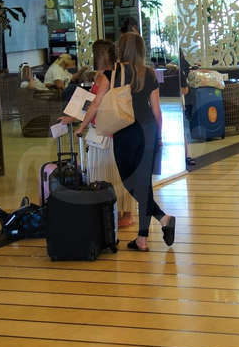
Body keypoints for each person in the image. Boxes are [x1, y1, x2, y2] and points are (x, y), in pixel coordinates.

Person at [78, 32, 175, 252]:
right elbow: (157, 110)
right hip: (148, 131)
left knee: (130, 182)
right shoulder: (149, 73)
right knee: (143, 184)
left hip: (126, 133)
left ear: (120, 49)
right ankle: (147, 233)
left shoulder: (113, 73)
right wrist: (159, 137)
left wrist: (81, 126)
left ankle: (156, 225)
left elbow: (96, 104)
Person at [64, 39, 135, 229]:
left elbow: (94, 104)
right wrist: (72, 118)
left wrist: (81, 126)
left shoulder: (104, 77)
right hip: (116, 130)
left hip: (105, 132)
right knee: (117, 173)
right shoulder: (118, 72)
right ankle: (123, 212)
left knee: (106, 173)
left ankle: (116, 212)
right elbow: (92, 104)